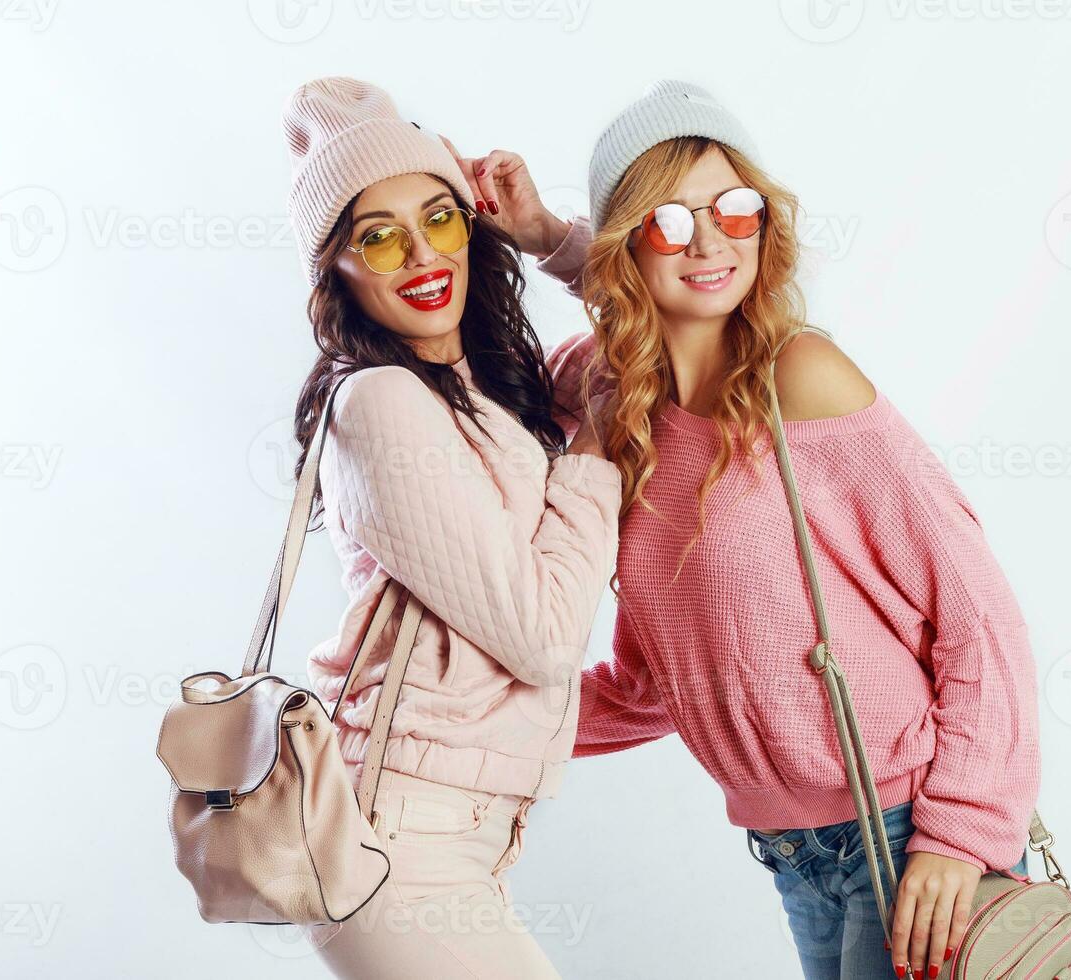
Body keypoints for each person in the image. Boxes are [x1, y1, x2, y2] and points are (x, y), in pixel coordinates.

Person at [494, 80, 1040, 980]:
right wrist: (474, 724)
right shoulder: (609, 399)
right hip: (790, 853)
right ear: (628, 238)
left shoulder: (801, 379)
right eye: (669, 218)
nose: (710, 240)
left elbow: (977, 612)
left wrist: (966, 829)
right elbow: (658, 677)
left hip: (903, 833)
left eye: (733, 210)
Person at [280, 76, 621, 979]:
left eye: (439, 219)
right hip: (401, 848)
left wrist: (545, 234)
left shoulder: (489, 388)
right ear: (338, 269)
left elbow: (669, 316)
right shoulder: (381, 401)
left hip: (455, 843)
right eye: (378, 237)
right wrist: (597, 447)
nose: (421, 255)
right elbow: (546, 638)